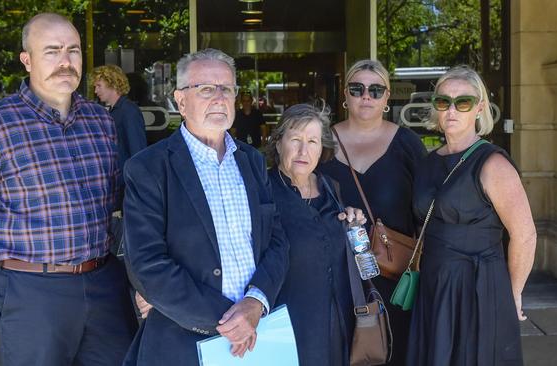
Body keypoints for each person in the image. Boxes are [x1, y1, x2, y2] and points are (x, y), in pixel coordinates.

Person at [0, 13, 136, 366]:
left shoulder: (100, 120)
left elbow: (115, 198)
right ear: (26, 60)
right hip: (31, 291)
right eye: (52, 51)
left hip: (104, 284)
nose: (65, 61)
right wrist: (6, 278)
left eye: (73, 51)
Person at [122, 48, 289, 365]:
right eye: (206, 89)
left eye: (226, 88)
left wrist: (255, 303)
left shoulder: (252, 162)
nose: (219, 98)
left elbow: (277, 241)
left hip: (257, 338)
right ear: (180, 101)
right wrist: (228, 322)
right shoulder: (149, 168)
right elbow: (147, 264)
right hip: (184, 341)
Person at [407, 65, 536, 366]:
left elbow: (525, 234)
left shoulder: (492, 164)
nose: (452, 110)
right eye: (443, 101)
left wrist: (512, 294)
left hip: (479, 287)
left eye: (462, 102)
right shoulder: (427, 163)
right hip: (434, 285)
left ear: (479, 107)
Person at [318, 59, 427, 365]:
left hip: (393, 275)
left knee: (394, 350)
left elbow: (427, 210)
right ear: (346, 93)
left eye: (376, 90)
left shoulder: (407, 144)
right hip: (338, 275)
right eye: (358, 88)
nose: (366, 96)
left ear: (387, 97)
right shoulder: (322, 142)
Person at [266, 103, 366, 365]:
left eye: (312, 141)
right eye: (295, 139)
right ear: (278, 144)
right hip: (288, 324)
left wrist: (354, 224)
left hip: (338, 319)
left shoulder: (331, 188)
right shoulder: (264, 193)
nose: (303, 151)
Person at [90, 65, 147, 257]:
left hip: (124, 189)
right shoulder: (114, 112)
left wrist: (132, 190)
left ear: (111, 83)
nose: (96, 91)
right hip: (117, 187)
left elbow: (138, 153)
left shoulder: (128, 111)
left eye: (99, 85)